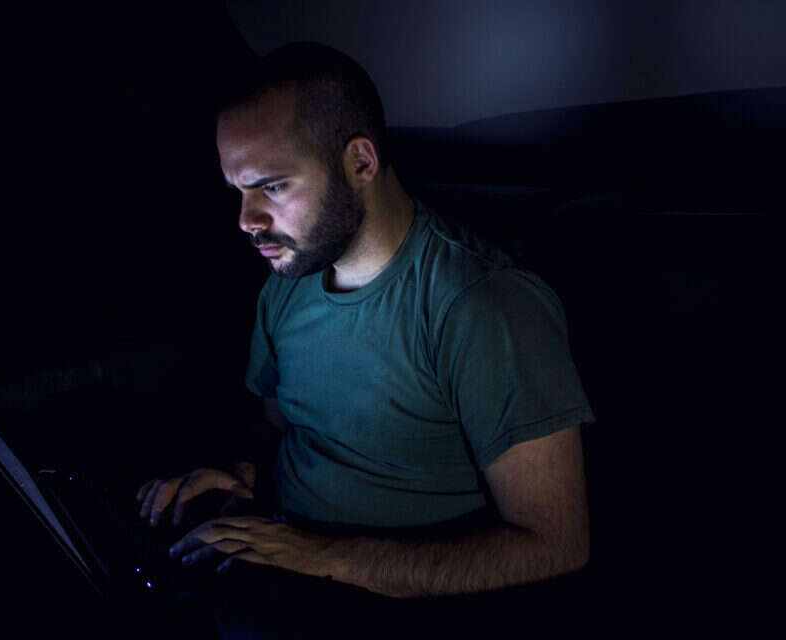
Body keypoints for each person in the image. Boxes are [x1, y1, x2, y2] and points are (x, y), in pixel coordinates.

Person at [136, 42, 595, 634]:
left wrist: (322, 558)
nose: (246, 221)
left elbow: (556, 545)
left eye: (271, 187)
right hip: (278, 566)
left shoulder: (485, 306)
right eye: (238, 192)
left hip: (381, 599)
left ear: (359, 162)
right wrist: (244, 479)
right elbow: (281, 429)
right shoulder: (287, 283)